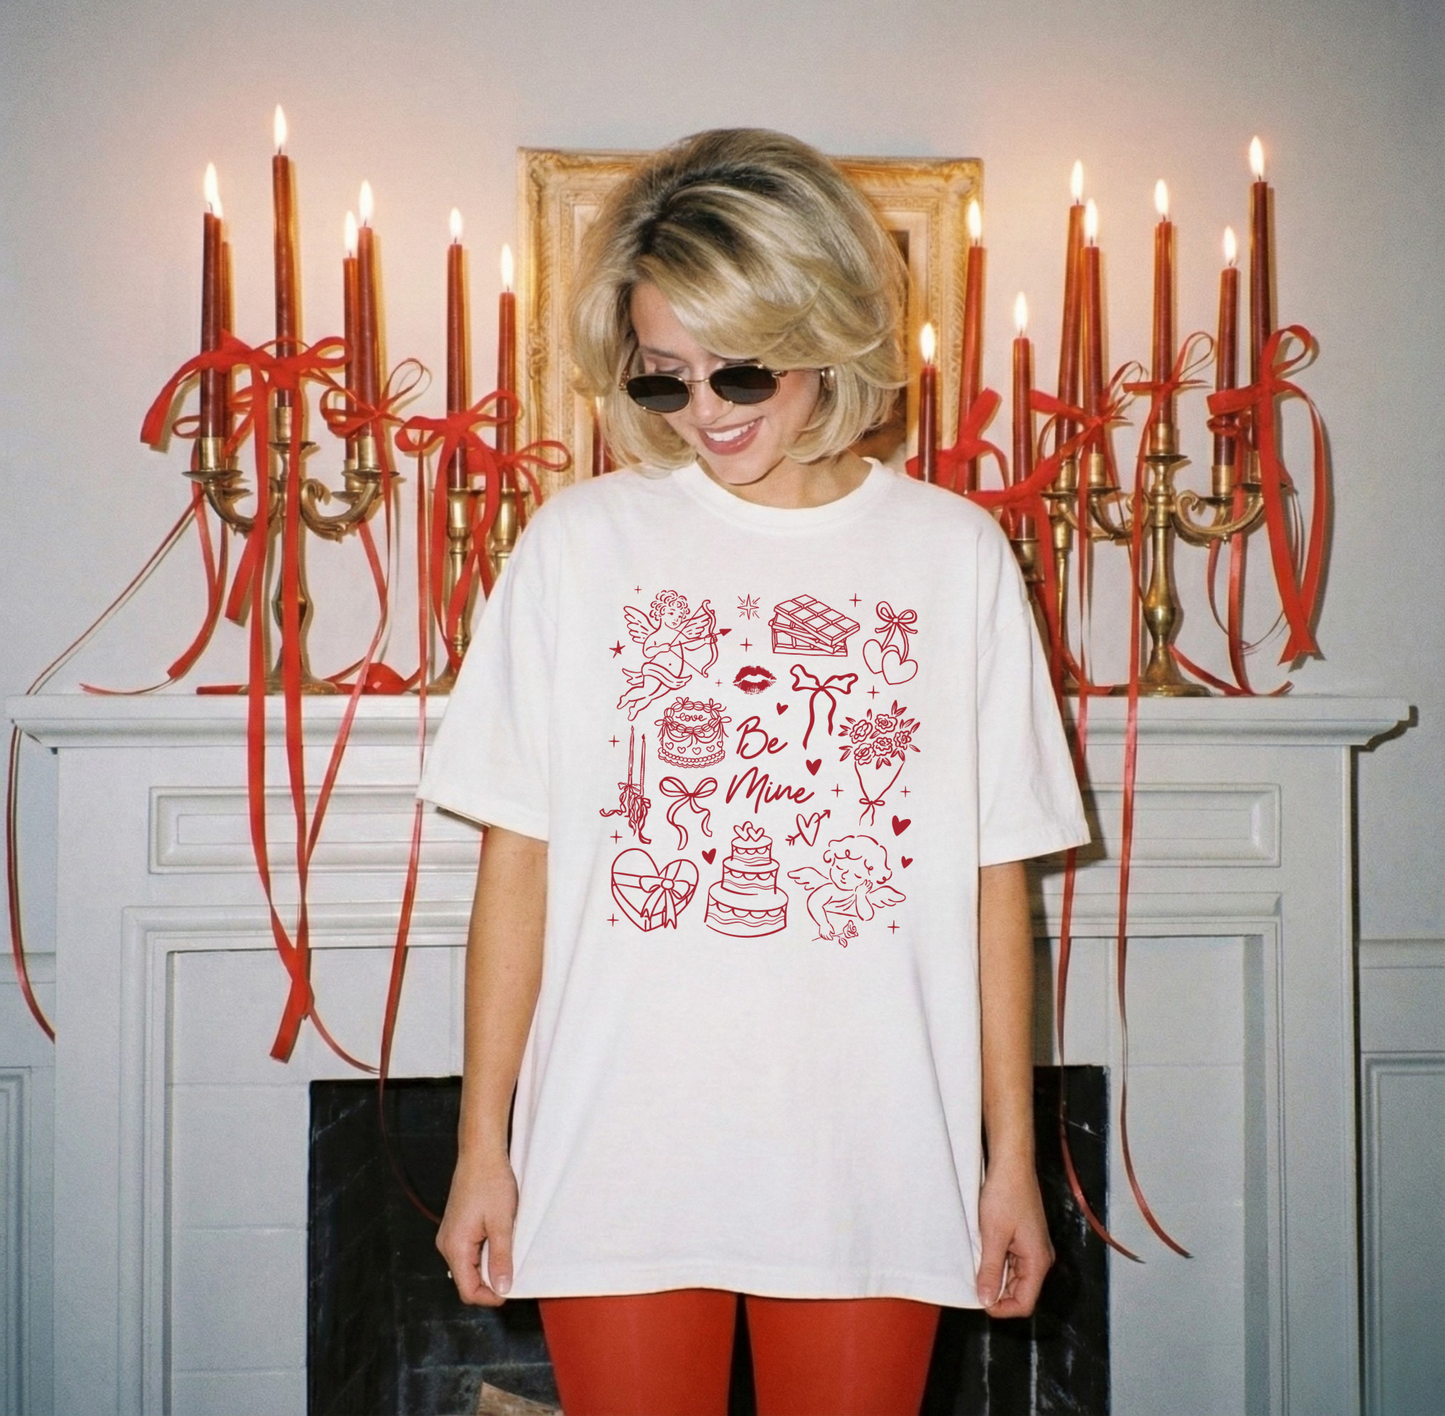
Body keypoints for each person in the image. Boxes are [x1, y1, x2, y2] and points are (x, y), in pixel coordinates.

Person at [421, 128, 1089, 1416]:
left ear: (826, 333)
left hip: (873, 1154)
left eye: (740, 368)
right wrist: (480, 1148)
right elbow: (519, 866)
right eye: (663, 377)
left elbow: (995, 882)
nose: (706, 411)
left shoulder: (953, 557)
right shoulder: (578, 547)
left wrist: (1011, 1161)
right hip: (618, 1147)